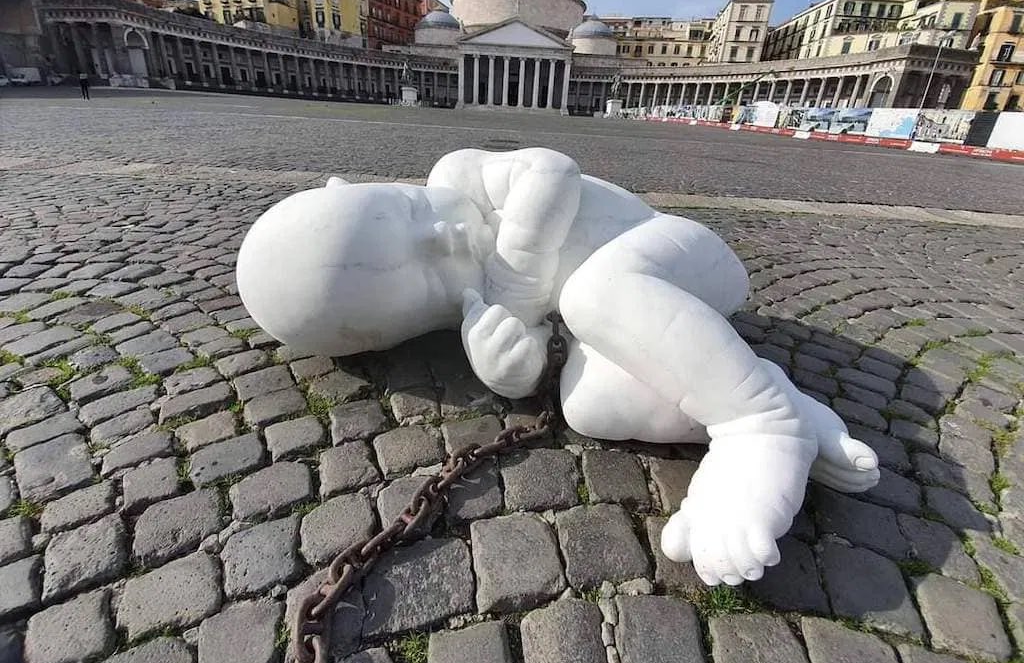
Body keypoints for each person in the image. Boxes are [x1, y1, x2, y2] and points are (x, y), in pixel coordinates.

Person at [236, 148, 879, 586]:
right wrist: (511, 371)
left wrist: (509, 291)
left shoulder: (459, 175)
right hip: (662, 326)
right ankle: (780, 400)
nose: (444, 234)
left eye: (410, 211)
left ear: (351, 187)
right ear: (390, 334)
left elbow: (551, 171)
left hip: (679, 255)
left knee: (592, 294)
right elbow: (544, 354)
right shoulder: (468, 310)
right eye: (427, 270)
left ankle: (759, 427)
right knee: (587, 403)